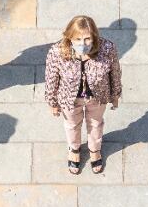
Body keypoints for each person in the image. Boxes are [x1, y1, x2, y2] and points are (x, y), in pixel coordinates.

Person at [43, 15, 121, 175]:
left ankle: (95, 150)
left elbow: (115, 73)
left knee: (96, 124)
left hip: (97, 97)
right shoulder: (57, 52)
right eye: (77, 39)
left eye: (87, 39)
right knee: (72, 125)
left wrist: (115, 95)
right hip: (69, 99)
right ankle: (74, 149)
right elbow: (51, 78)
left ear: (94, 36)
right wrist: (52, 102)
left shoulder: (107, 49)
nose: (82, 44)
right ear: (69, 37)